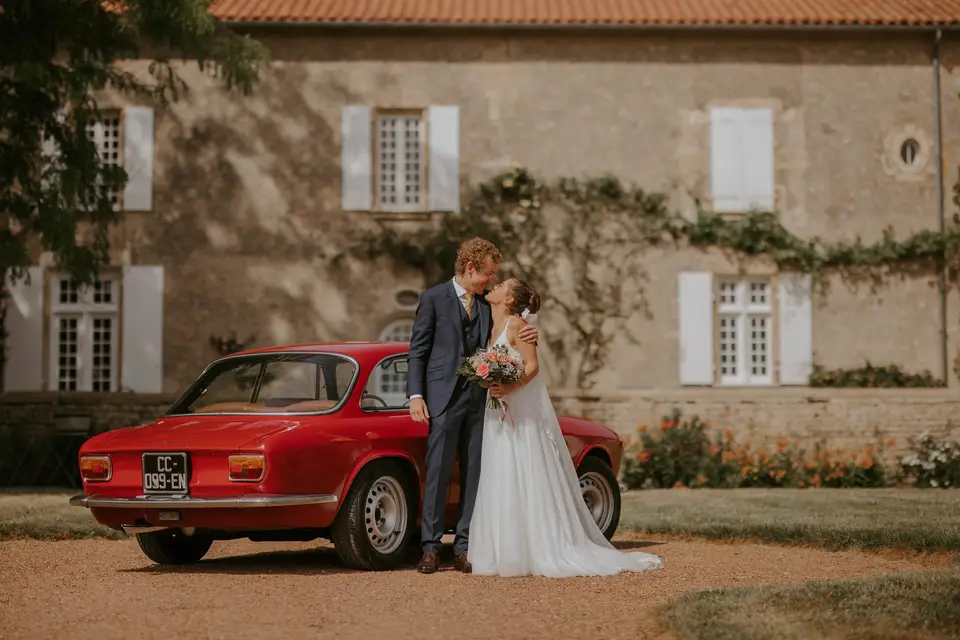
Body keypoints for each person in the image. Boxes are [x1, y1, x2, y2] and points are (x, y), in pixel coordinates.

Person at [467, 278, 664, 577]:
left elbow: (532, 367)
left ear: (508, 299)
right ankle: (505, 549)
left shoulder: (519, 327)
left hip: (515, 406)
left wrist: (509, 387)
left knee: (523, 468)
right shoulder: (492, 324)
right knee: (501, 472)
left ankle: (539, 547)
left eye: (502, 284)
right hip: (496, 412)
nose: (494, 284)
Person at [407, 238, 539, 574]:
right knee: (437, 473)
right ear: (470, 268)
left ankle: (464, 547)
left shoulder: (485, 303)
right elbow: (417, 352)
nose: (490, 282)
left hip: (481, 399)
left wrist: (528, 335)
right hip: (441, 397)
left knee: (475, 473)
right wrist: (416, 396)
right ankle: (431, 548)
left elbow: (509, 327)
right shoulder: (433, 298)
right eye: (488, 275)